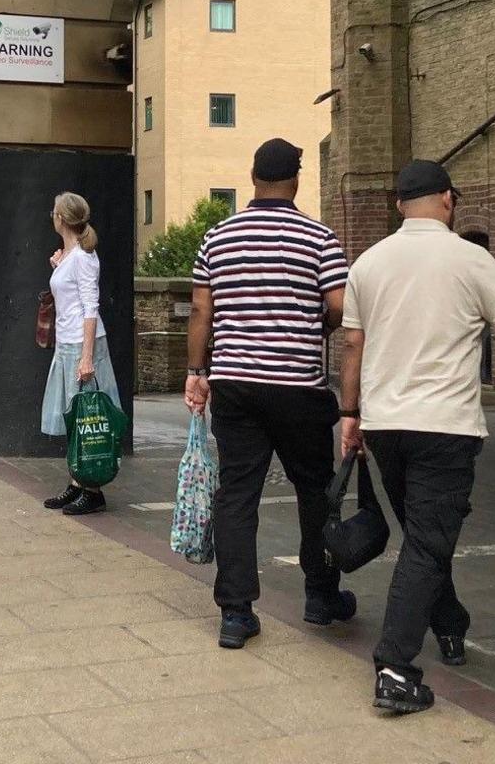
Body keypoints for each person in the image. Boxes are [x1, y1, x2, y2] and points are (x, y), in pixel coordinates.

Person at [338, 160, 495, 714]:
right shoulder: (471, 258)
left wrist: (350, 414)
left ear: (398, 206)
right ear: (448, 201)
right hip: (444, 427)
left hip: (386, 425)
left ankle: (451, 623)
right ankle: (394, 667)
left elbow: (354, 348)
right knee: (429, 542)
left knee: (423, 537)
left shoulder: (367, 263)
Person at [185, 138, 355, 650]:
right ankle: (321, 596)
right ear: (296, 180)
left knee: (238, 494)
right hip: (298, 388)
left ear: (253, 177)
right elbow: (340, 308)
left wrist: (197, 371)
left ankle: (236, 612)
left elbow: (200, 312)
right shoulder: (319, 238)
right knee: (315, 492)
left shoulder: (218, 237)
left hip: (236, 385)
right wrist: (311, 323)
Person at [39, 191, 123, 516]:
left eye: (54, 211)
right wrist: (58, 266)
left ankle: (93, 490)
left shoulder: (85, 258)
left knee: (87, 416)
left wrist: (87, 357)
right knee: (76, 416)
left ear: (61, 218)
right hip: (67, 343)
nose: (52, 215)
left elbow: (91, 307)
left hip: (82, 344)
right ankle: (77, 483)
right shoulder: (72, 256)